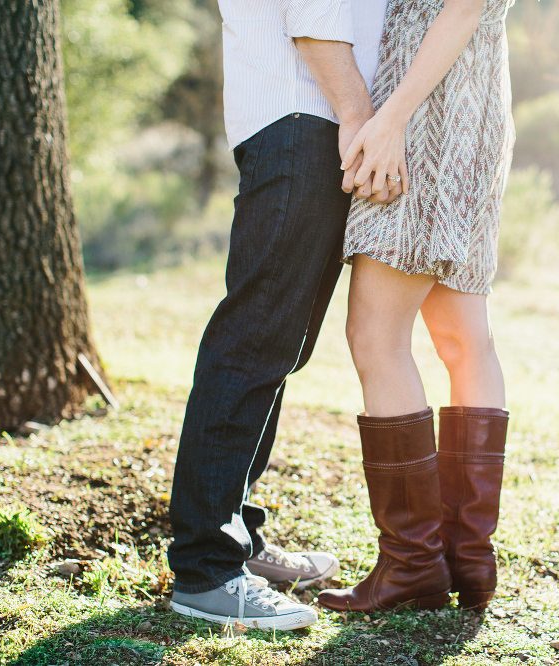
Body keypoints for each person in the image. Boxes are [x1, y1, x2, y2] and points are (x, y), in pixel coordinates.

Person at [166, 0, 395, 631]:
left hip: (308, 121)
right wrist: (358, 117)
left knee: (277, 346)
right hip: (304, 120)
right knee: (254, 338)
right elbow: (315, 15)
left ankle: (238, 537)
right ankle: (206, 568)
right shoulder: (319, 117)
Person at [315, 0, 514, 612]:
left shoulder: (405, 115)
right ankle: (468, 557)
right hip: (477, 104)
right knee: (463, 341)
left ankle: (413, 562)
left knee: (377, 339)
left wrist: (391, 120)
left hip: (424, 115)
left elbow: (461, 8)